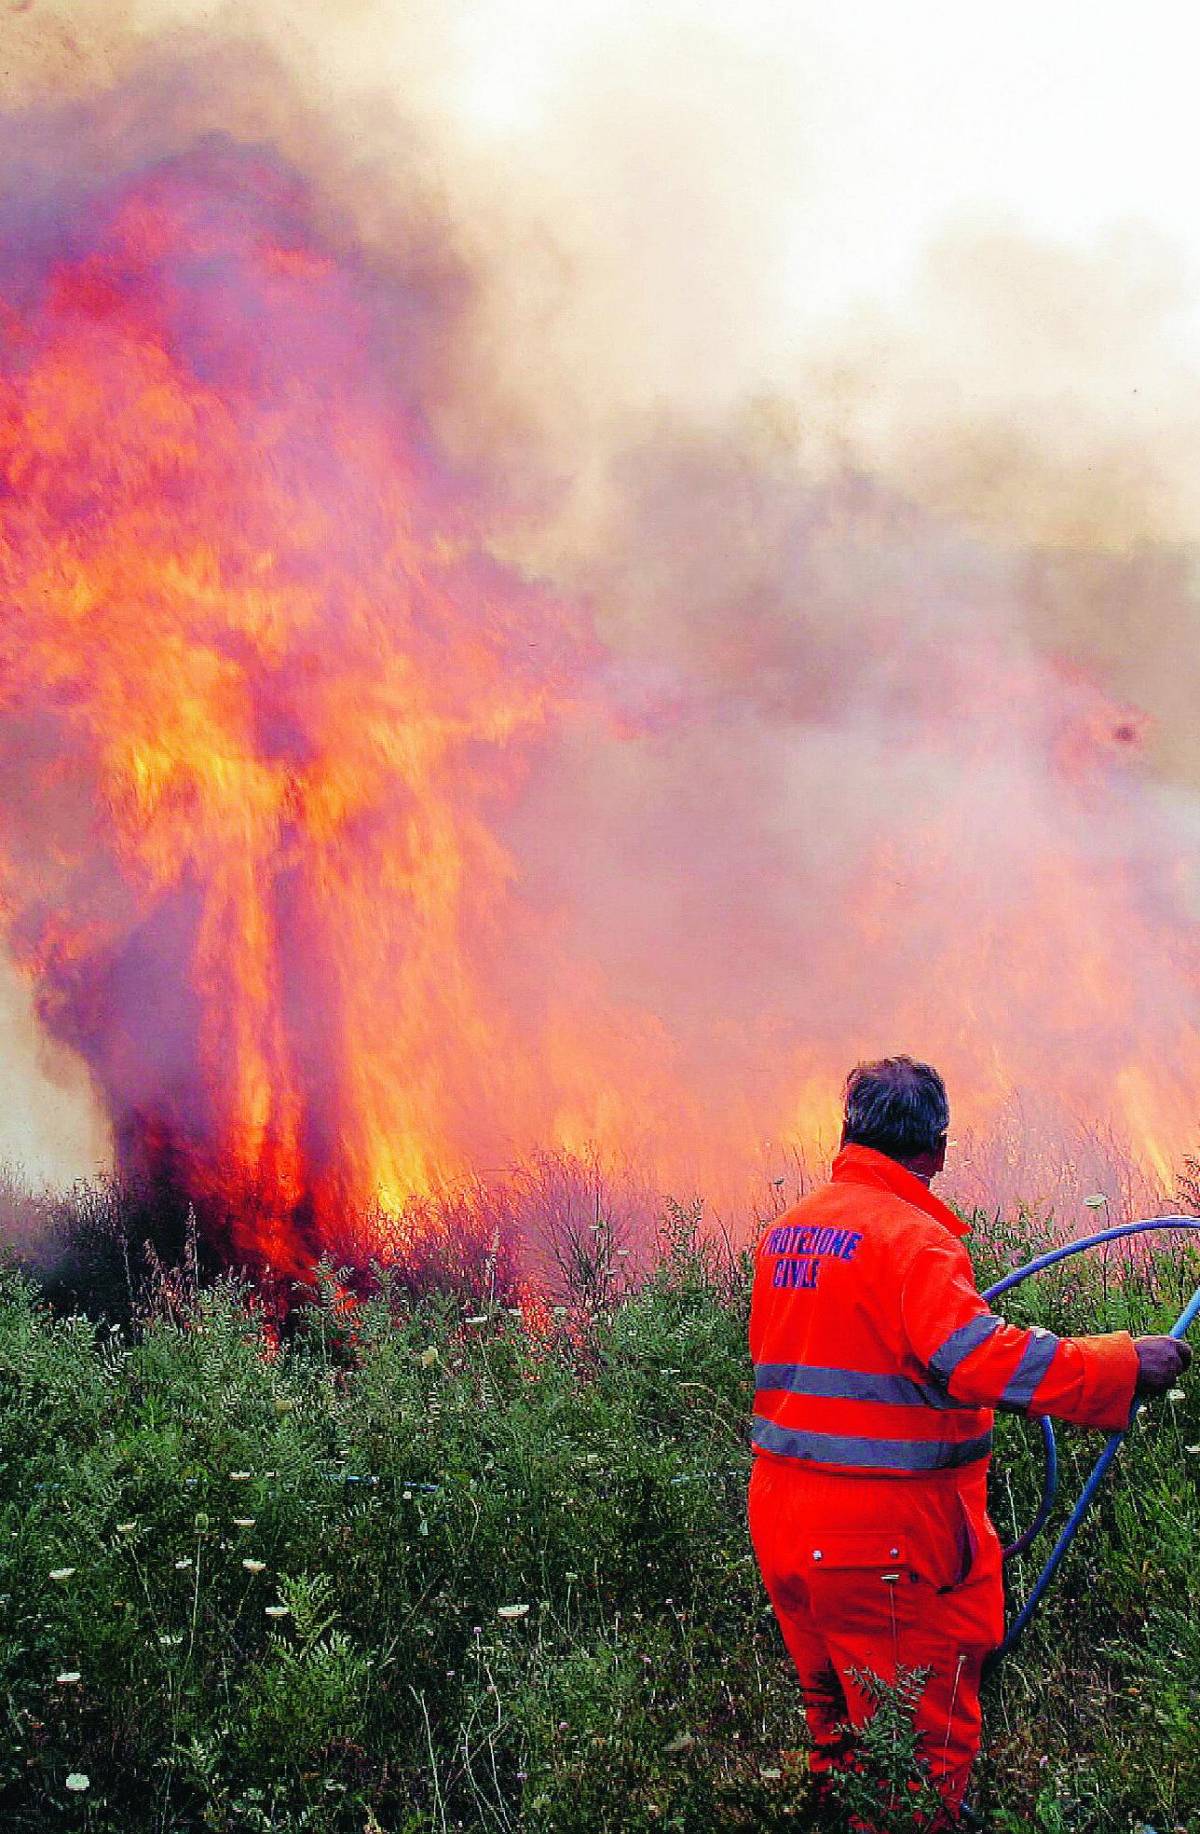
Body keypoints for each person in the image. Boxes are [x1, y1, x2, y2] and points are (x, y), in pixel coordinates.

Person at [748, 1055, 1191, 1825]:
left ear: (848, 1131)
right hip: (881, 1545)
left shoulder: (786, 1235)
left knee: (842, 1744)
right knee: (917, 1757)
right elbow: (975, 1357)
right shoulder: (913, 1242)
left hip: (785, 1528)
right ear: (938, 1149)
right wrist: (1123, 1364)